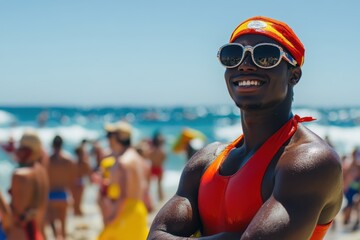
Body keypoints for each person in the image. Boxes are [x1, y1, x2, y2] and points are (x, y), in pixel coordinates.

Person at [148, 16, 343, 240]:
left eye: (265, 56)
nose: (245, 64)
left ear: (294, 75)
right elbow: (156, 236)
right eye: (232, 56)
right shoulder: (206, 160)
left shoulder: (311, 161)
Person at [97, 121, 148, 240]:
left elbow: (124, 196)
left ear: (117, 138)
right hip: (139, 211)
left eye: (110, 135)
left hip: (125, 214)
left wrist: (112, 218)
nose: (108, 139)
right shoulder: (139, 159)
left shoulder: (123, 162)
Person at [7, 130, 49, 240]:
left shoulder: (19, 175)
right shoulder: (41, 171)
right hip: (37, 231)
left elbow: (17, 217)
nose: (17, 152)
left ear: (27, 151)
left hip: (21, 234)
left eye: (20, 149)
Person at [47, 135, 76, 240]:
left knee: (52, 222)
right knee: (63, 223)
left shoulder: (48, 160)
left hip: (51, 194)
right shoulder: (68, 160)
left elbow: (45, 179)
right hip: (63, 194)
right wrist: (73, 197)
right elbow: (72, 180)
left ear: (52, 145)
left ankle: (56, 237)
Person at [71, 142, 92, 216]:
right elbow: (89, 174)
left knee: (75, 200)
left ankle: (76, 212)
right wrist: (90, 181)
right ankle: (77, 212)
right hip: (80, 182)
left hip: (74, 182)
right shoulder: (84, 163)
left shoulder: (73, 162)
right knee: (78, 200)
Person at [148, 131, 167, 202]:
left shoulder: (151, 150)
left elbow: (148, 157)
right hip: (159, 168)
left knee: (149, 185)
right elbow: (164, 158)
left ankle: (150, 200)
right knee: (159, 185)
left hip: (152, 168)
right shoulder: (162, 151)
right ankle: (161, 200)